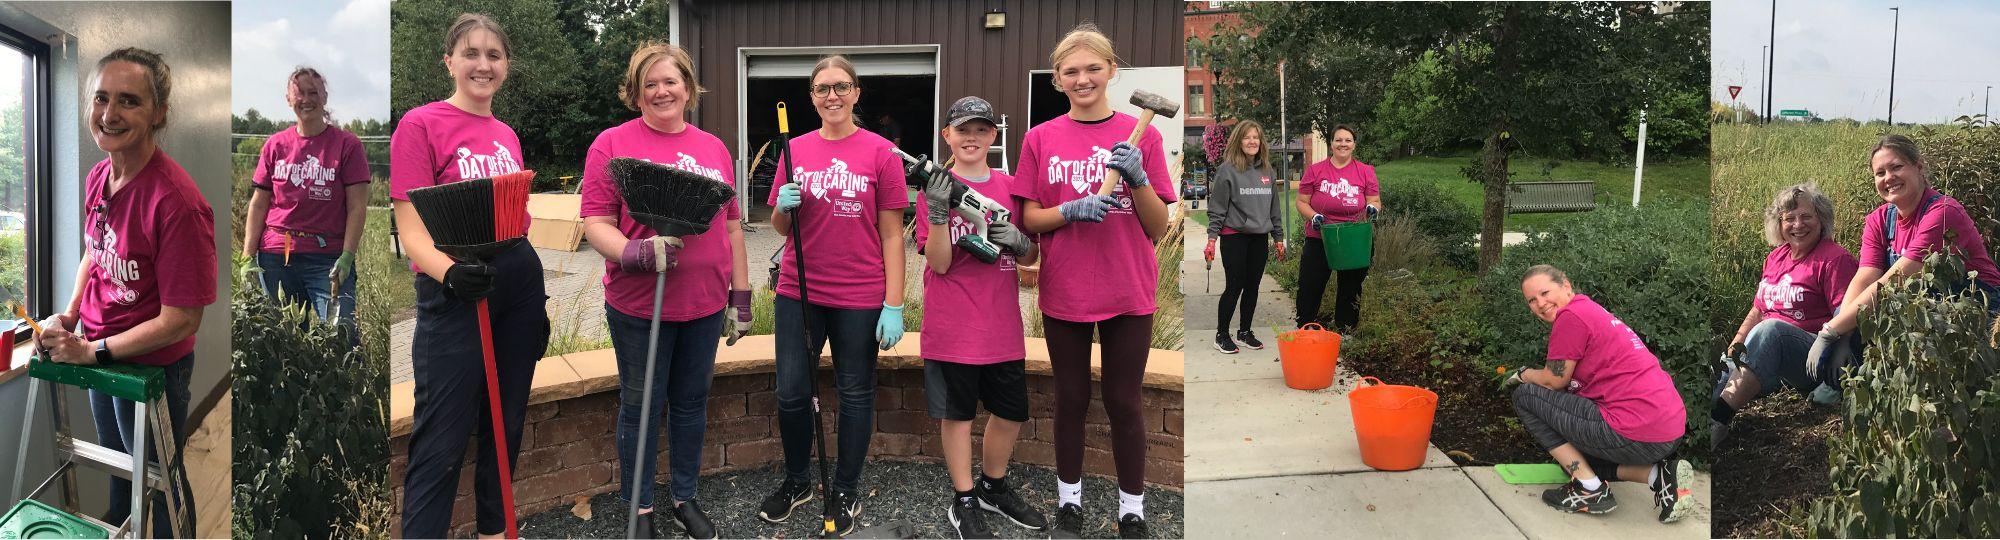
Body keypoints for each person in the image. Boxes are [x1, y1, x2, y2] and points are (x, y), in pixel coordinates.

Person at [35, 47, 215, 539]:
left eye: (129, 101)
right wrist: (70, 315)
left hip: (151, 365)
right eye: (101, 98)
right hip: (97, 348)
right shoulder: (100, 176)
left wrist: (93, 352)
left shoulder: (176, 203)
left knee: (161, 479)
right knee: (120, 468)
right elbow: (95, 252)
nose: (110, 114)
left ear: (159, 113)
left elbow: (182, 318)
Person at [391, 13, 551, 539]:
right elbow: (411, 231)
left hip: (517, 281)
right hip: (454, 286)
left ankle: (495, 530)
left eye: (494, 55)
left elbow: (515, 219)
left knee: (505, 424)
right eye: (472, 53)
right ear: (450, 61)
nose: (484, 64)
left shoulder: (505, 133)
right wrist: (451, 275)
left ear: (506, 65)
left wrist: (533, 300)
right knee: (442, 433)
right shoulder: (420, 124)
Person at [1012, 23, 1175, 539]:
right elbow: (1029, 223)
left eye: (1093, 69)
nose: (1083, 79)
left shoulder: (1142, 134)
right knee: (1071, 398)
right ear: (1058, 79)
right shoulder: (1040, 138)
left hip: (1129, 289)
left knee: (1125, 401)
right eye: (1071, 71)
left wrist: (1140, 179)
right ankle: (1070, 500)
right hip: (1066, 289)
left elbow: (1158, 227)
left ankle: (1132, 507)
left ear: (1112, 71)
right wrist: (1072, 209)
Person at [578, 42, 746, 539]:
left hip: (704, 304)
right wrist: (634, 253)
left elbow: (733, 227)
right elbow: (596, 222)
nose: (661, 91)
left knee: (692, 403)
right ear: (635, 93)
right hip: (638, 306)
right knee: (642, 406)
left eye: (670, 81)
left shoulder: (713, 148)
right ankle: (640, 506)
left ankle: (683, 497)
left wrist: (741, 297)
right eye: (649, 83)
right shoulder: (612, 144)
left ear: (689, 89)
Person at [757, 55, 909, 537]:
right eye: (823, 89)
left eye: (841, 87)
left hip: (860, 295)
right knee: (792, 392)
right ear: (812, 97)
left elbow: (892, 236)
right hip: (798, 291)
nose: (833, 96)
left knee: (856, 393)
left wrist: (894, 302)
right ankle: (799, 480)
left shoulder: (882, 153)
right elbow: (779, 226)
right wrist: (782, 206)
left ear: (856, 93)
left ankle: (846, 486)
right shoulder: (794, 149)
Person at [912, 96, 1047, 538]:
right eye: (962, 129)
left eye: (980, 130)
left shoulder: (1011, 186)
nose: (971, 137)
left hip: (1002, 328)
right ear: (946, 135)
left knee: (1010, 413)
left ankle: (994, 487)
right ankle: (964, 497)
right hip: (952, 328)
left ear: (992, 136)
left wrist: (1021, 242)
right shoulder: (934, 187)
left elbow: (1034, 259)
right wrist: (936, 214)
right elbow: (940, 263)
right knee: (958, 416)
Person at [1807, 134, 2000, 403]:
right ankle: (1850, 381)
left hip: (1975, 311)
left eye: (1897, 167)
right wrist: (1841, 329)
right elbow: (1866, 275)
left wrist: (1830, 332)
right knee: (1857, 309)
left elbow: (1895, 280)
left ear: (1919, 167)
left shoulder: (1943, 212)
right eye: (1880, 172)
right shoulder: (1879, 220)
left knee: (1892, 307)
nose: (1889, 178)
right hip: (1923, 309)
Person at [1500, 265, 1693, 523]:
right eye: (1532, 300)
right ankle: (1659, 476)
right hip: (1667, 428)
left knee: (1526, 396)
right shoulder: (1589, 310)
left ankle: (1589, 490)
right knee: (1575, 460)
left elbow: (1553, 380)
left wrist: (1523, 374)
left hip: (1634, 428)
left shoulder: (1571, 317)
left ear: (1566, 286)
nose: (1540, 304)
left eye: (1545, 292)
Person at [1710, 184, 1857, 446]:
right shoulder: (1776, 257)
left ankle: (1719, 420)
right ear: (1779, 223)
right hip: (1765, 356)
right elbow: (1758, 309)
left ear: (1821, 219)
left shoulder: (1834, 259)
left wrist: (1839, 370)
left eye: (1806, 216)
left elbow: (1846, 313)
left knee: (1772, 330)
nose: (1798, 224)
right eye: (1789, 218)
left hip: (1812, 355)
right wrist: (1736, 343)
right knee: (1718, 372)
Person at [241, 66, 370, 333]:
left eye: (314, 92)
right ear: (288, 99)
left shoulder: (347, 145)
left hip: (327, 258)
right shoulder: (275, 146)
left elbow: (357, 206)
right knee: (282, 338)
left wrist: (347, 256)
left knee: (340, 333)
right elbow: (259, 203)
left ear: (324, 97)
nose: (307, 99)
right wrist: (247, 257)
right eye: (300, 93)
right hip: (276, 257)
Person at [1204, 120, 1286, 354]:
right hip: (1234, 237)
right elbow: (1217, 207)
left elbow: (1274, 209)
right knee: (1235, 286)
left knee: (1253, 286)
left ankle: (1244, 332)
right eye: (1247, 137)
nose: (1252, 142)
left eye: (1256, 138)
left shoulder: (1267, 171)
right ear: (1239, 141)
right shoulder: (1227, 170)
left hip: (1259, 238)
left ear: (1261, 142)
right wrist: (1212, 238)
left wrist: (1278, 238)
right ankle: (1221, 334)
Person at [1294, 125, 1378, 334]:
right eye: (1338, 140)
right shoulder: (1315, 170)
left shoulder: (1365, 171)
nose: (1343, 144)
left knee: (1350, 287)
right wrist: (1313, 216)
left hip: (1353, 238)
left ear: (1354, 144)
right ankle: (1306, 326)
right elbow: (1302, 201)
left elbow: (1375, 200)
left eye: (1348, 140)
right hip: (1320, 237)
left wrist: (1372, 208)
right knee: (1310, 284)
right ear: (1331, 144)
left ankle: (1345, 329)